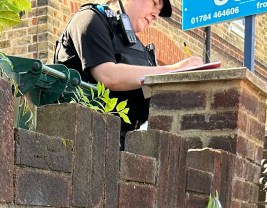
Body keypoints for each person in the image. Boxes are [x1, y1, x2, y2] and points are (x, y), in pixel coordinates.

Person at [54, 0, 203, 145]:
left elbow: (148, 96)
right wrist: (173, 70)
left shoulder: (140, 51)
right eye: (155, 3)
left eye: (158, 12)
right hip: (81, 135)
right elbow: (107, 75)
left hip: (122, 142)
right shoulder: (90, 18)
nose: (155, 15)